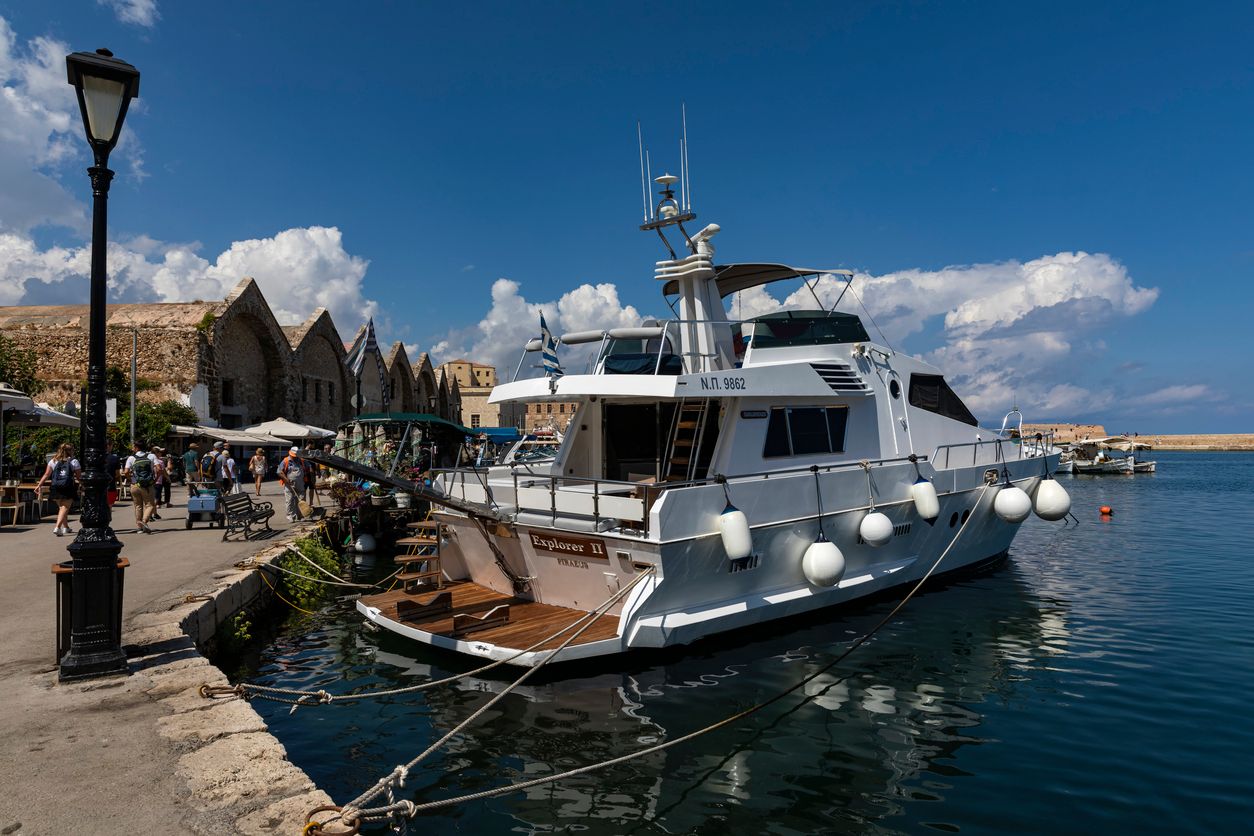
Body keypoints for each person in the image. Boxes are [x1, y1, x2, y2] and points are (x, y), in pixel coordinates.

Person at [34, 442, 81, 536]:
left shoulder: (53, 461)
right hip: (67, 487)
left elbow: (46, 474)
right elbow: (79, 476)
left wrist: (39, 485)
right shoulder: (74, 461)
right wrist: (83, 484)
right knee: (65, 507)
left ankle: (66, 527)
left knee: (61, 508)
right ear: (70, 451)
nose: (74, 451)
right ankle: (57, 527)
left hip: (55, 487)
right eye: (73, 449)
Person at [124, 440, 158, 534]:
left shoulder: (131, 458)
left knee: (138, 506)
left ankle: (139, 528)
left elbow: (126, 472)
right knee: (150, 505)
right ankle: (144, 521)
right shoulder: (151, 456)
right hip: (148, 485)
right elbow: (159, 469)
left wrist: (131, 479)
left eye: (133, 446)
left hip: (135, 485)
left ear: (136, 447)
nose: (132, 448)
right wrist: (155, 479)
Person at [277, 445, 306, 522]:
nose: (295, 457)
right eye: (293, 456)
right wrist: (286, 479)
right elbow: (279, 472)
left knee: (301, 500)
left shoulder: (301, 460)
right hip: (289, 484)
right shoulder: (286, 461)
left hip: (300, 483)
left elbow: (308, 468)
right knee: (289, 500)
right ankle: (290, 516)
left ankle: (300, 515)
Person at [104, 440, 121, 507]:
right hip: (110, 486)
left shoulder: (96, 458)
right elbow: (117, 474)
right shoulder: (115, 458)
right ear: (109, 446)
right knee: (109, 507)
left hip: (98, 488)